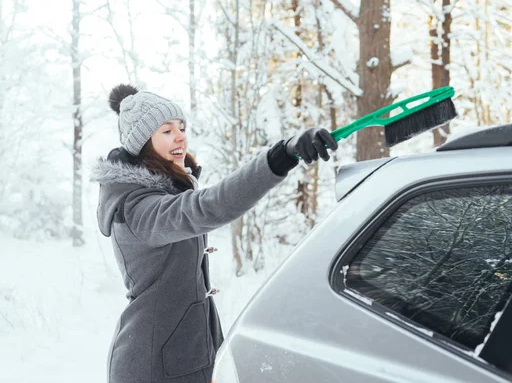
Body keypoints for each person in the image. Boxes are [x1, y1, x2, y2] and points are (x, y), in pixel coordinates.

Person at [91, 84, 338, 383]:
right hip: (152, 365)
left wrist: (213, 353)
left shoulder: (164, 195)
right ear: (144, 144)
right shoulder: (139, 210)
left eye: (180, 127)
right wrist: (280, 156)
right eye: (166, 131)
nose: (180, 136)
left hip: (186, 357)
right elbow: (209, 207)